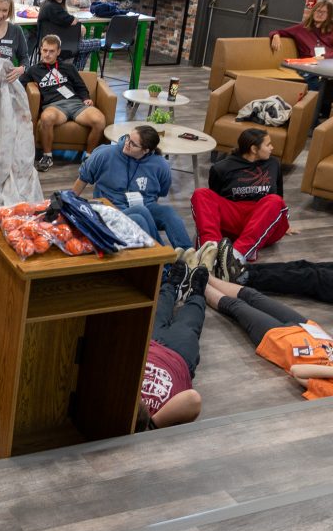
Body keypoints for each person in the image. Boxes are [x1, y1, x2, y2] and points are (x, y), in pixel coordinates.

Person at [204, 272, 333, 401]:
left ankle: (198, 282)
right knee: (252, 295)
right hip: (310, 330)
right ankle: (206, 274)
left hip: (280, 340)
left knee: (236, 306)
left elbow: (297, 371)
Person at [72, 125, 193, 248]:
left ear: (146, 151)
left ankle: (188, 258)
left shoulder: (161, 165)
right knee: (139, 215)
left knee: (168, 212)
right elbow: (82, 180)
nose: (127, 143)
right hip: (112, 210)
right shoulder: (104, 154)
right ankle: (164, 261)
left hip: (145, 207)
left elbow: (159, 193)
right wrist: (67, 207)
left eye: (133, 144)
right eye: (128, 138)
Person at [190, 128, 289, 277]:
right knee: (201, 194)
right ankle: (210, 250)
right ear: (254, 149)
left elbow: (279, 196)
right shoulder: (221, 168)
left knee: (274, 200)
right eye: (268, 144)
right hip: (235, 218)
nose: (272, 148)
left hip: (263, 221)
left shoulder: (273, 164)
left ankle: (236, 255)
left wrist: (283, 222)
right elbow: (214, 201)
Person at [135, 263, 207, 431]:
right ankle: (196, 295)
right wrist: (154, 424)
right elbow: (193, 399)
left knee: (157, 311)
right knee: (189, 324)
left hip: (149, 346)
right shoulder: (157, 418)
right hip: (177, 357)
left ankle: (171, 285)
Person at [20, 33, 106, 172]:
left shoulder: (68, 68)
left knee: (100, 120)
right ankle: (47, 156)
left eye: (52, 51)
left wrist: (85, 98)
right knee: (46, 118)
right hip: (54, 106)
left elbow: (80, 86)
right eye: (45, 50)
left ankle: (89, 157)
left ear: (58, 51)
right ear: (41, 49)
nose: (47, 54)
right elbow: (19, 85)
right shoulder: (34, 70)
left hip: (76, 103)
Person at [268, 0, 333, 94]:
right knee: (317, 83)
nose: (319, 14)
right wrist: (275, 35)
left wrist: (324, 57)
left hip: (327, 65)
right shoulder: (302, 28)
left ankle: (321, 105)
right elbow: (278, 31)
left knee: (327, 84)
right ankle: (314, 105)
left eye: (323, 12)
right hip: (307, 66)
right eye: (317, 11)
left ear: (329, 15)